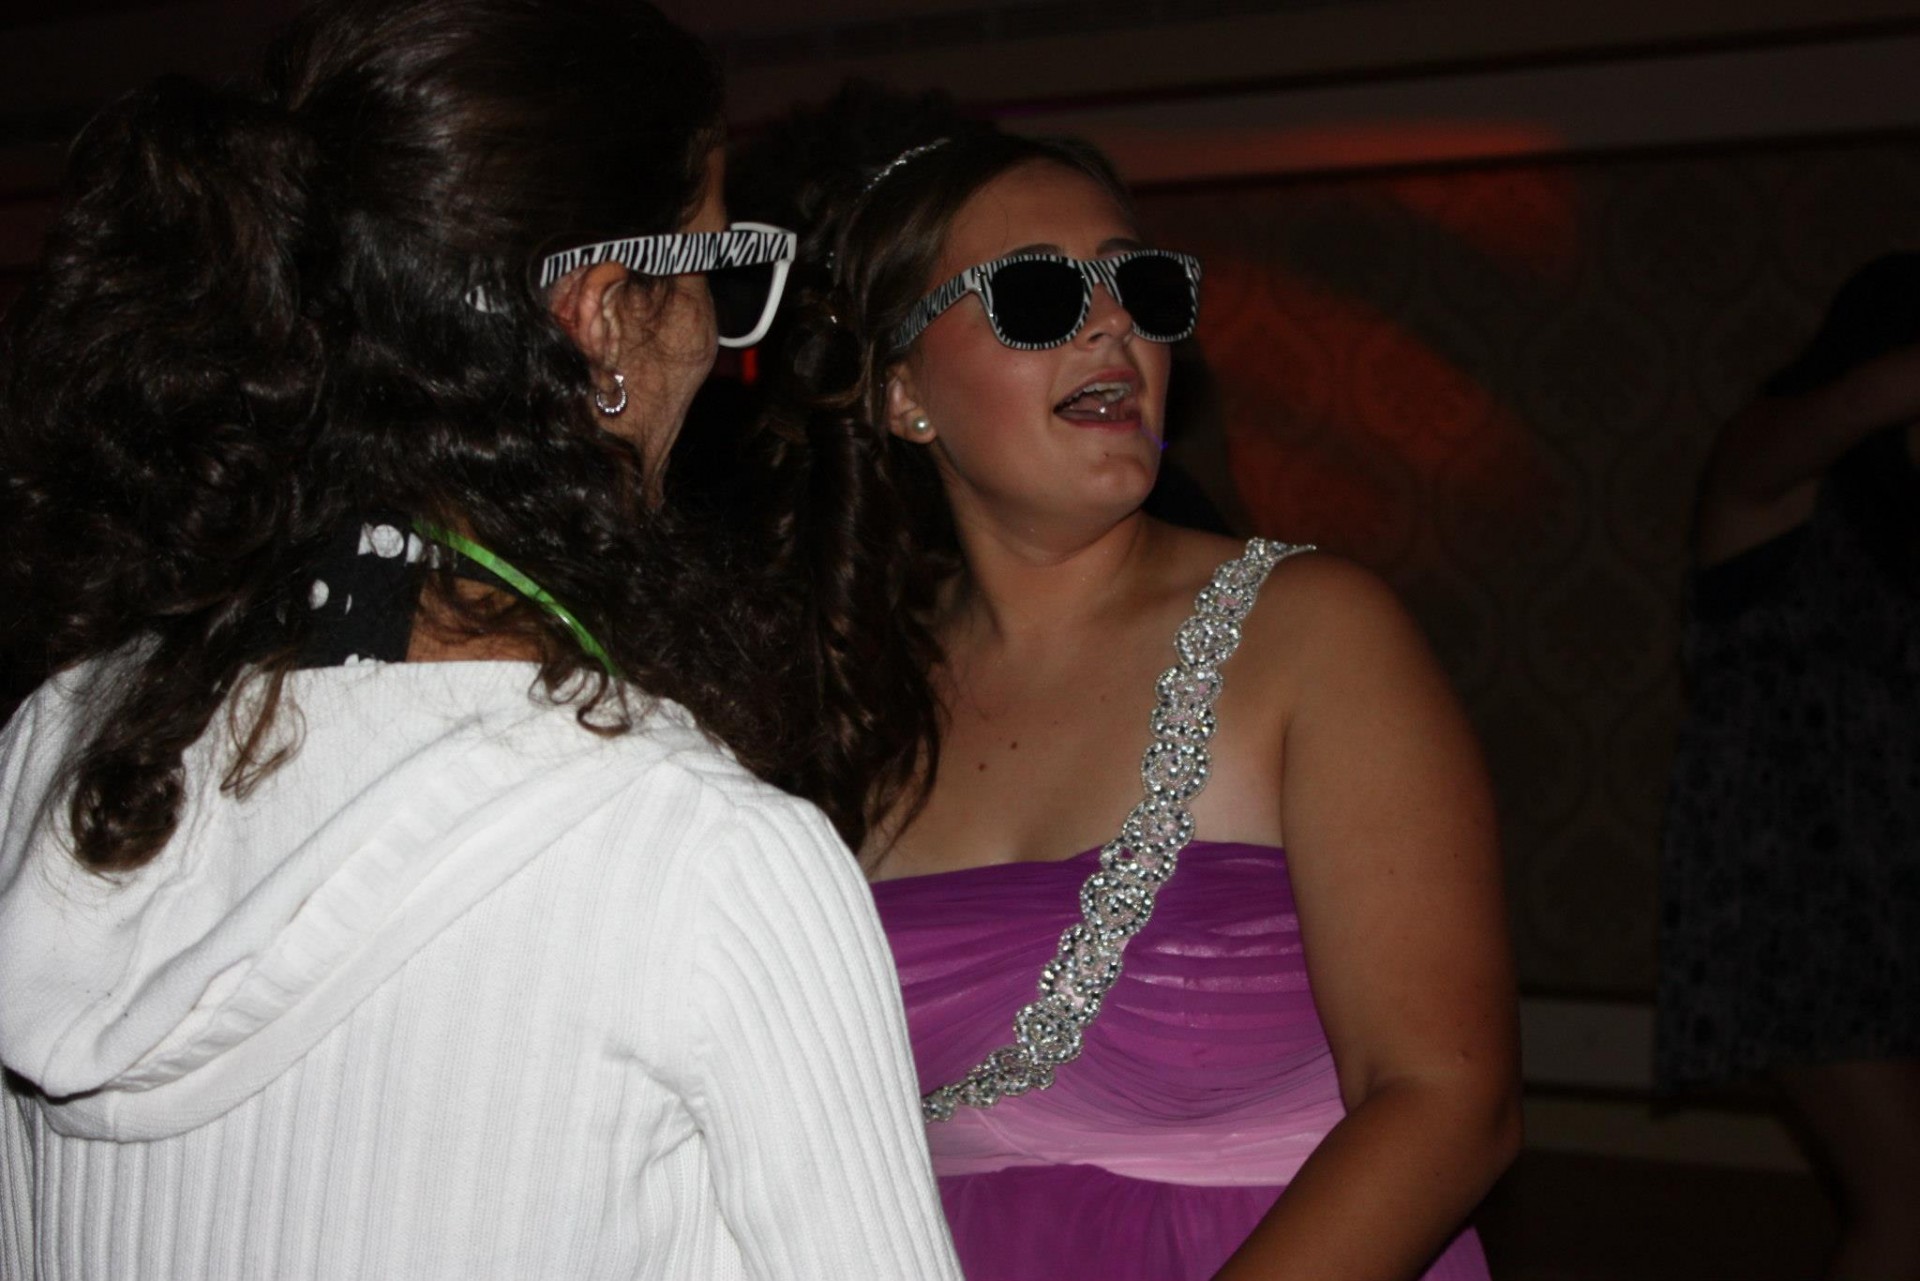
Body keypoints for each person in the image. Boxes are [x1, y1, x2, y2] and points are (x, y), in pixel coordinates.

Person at [0, 3, 962, 1278]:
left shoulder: (56, 752)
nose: (714, 335)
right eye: (715, 272)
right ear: (603, 316)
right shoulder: (706, 857)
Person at [747, 107, 1520, 1281]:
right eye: (1039, 296)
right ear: (903, 392)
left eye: (1140, 287)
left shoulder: (1312, 634)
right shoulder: (838, 697)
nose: (1112, 322)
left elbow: (1448, 1101)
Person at [1658, 254, 1920, 1281]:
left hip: (1888, 895)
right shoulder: (1771, 477)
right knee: (1910, 1211)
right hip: (1797, 903)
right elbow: (1846, 408)